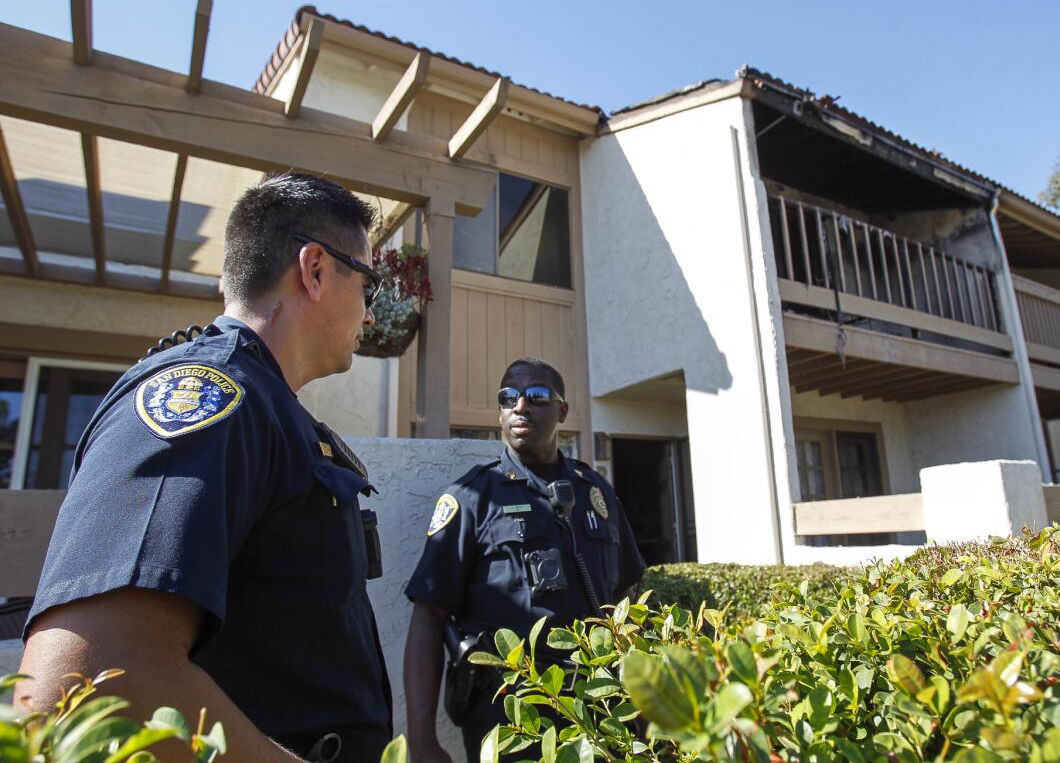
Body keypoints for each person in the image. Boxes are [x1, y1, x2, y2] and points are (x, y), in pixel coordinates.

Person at [18, 173, 393, 763]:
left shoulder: (269, 411)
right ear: (315, 270)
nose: (370, 316)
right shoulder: (207, 398)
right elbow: (84, 686)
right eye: (369, 286)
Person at [403, 358, 645, 763]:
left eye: (535, 396)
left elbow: (628, 600)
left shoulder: (595, 493)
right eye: (508, 397)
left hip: (600, 712)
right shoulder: (472, 498)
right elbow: (428, 618)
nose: (520, 406)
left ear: (562, 411)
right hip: (511, 725)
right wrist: (422, 739)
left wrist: (645, 705)